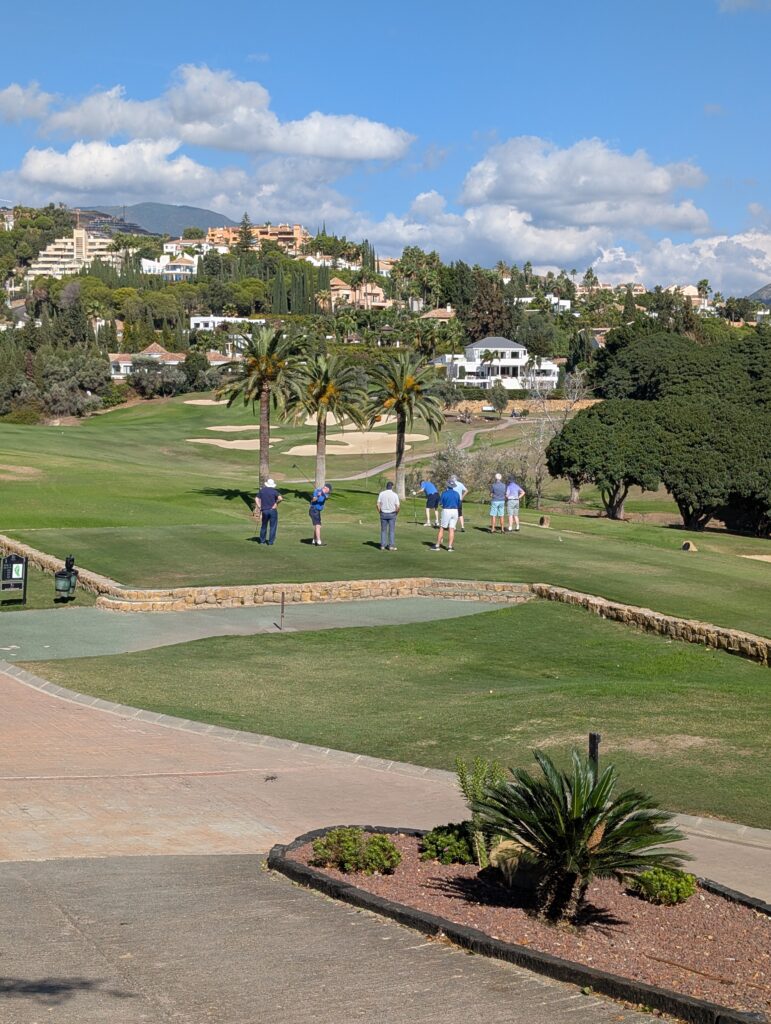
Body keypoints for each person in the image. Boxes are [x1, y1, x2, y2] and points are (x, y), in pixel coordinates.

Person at [432, 480, 462, 552]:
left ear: (447, 486)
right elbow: (459, 504)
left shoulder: (444, 493)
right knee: (451, 529)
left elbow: (441, 503)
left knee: (442, 528)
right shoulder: (457, 494)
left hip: (446, 510)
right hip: (455, 511)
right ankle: (450, 547)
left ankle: (437, 546)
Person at [255, 478, 283, 546]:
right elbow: (280, 498)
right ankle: (270, 542)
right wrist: (276, 504)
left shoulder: (262, 490)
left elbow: (256, 498)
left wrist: (259, 506)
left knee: (264, 526)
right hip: (272, 510)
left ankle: (262, 541)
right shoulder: (274, 491)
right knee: (273, 526)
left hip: (264, 510)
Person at [376, 480, 400, 550]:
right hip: (392, 514)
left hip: (383, 513)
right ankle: (391, 546)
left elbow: (377, 504)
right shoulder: (395, 495)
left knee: (383, 530)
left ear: (386, 486)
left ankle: (382, 545)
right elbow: (398, 506)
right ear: (392, 487)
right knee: (391, 530)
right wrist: (396, 513)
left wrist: (380, 512)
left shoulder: (381, 493)